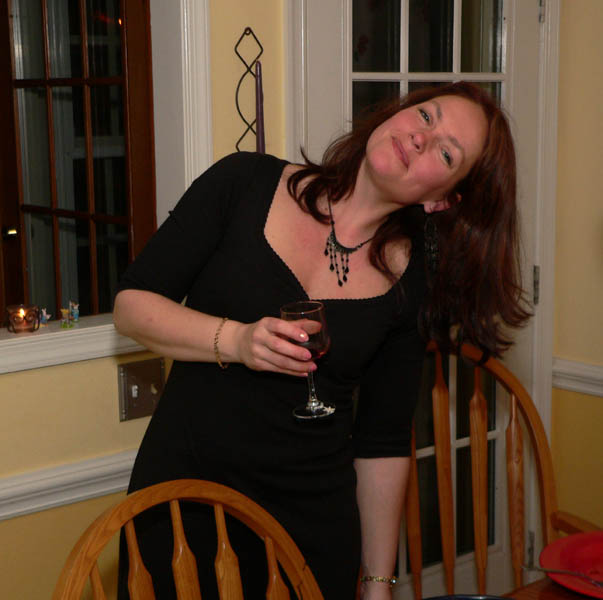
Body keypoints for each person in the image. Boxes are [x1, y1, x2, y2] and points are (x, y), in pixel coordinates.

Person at [113, 81, 529, 600]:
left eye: (446, 153)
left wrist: (377, 584)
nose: (421, 138)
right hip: (181, 508)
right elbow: (131, 306)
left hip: (307, 535)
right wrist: (235, 340)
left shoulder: (412, 284)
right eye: (426, 115)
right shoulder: (243, 182)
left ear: (442, 199)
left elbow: (382, 443)